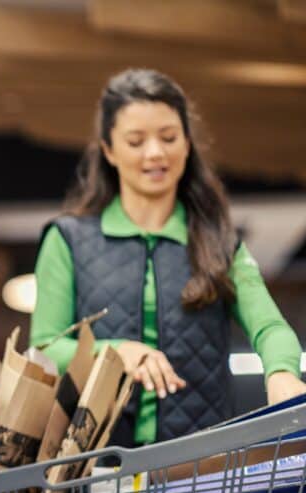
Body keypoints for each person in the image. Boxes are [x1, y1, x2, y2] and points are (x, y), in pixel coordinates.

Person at [31, 68, 305, 449]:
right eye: (136, 140)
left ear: (187, 144)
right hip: (96, 470)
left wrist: (282, 374)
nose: (155, 152)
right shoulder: (68, 241)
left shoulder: (220, 242)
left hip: (199, 471)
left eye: (168, 137)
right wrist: (115, 353)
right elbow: (45, 347)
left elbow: (270, 328)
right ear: (108, 150)